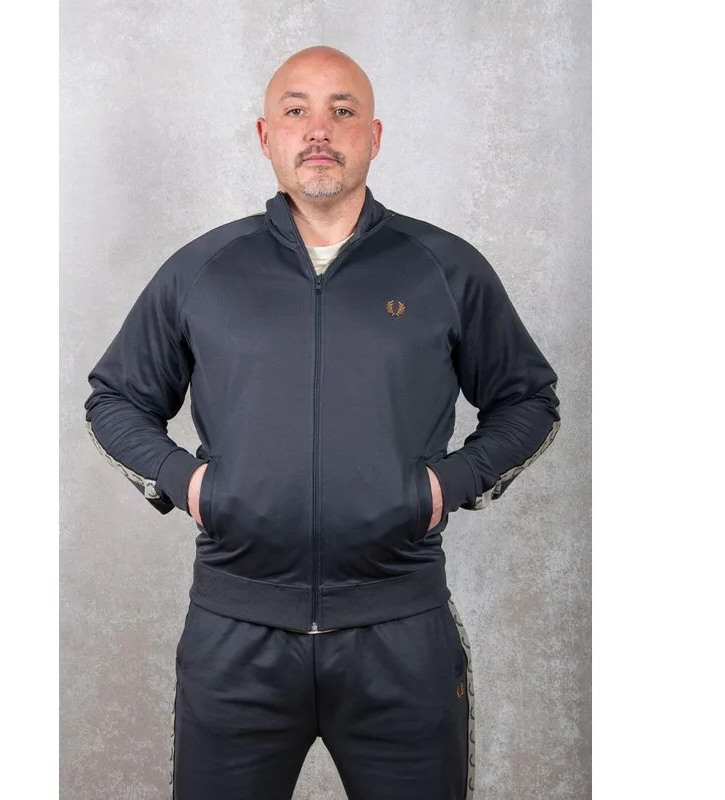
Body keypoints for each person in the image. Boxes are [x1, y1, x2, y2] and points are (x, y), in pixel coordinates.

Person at [84, 45, 560, 800]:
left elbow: (529, 400)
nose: (319, 129)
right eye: (296, 110)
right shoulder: (204, 270)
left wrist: (446, 485)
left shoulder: (443, 267)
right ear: (264, 135)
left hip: (400, 637)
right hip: (235, 639)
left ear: (374, 135)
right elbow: (115, 399)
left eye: (343, 111)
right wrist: (191, 485)